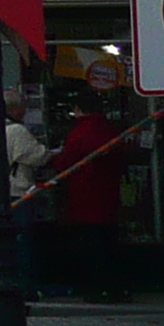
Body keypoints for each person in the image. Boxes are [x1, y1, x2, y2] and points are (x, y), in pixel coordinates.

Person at [46, 92, 128, 303]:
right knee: (108, 244)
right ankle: (114, 287)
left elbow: (65, 162)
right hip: (108, 196)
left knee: (91, 246)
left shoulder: (80, 132)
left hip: (84, 196)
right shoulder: (109, 130)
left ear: (79, 109)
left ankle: (97, 288)